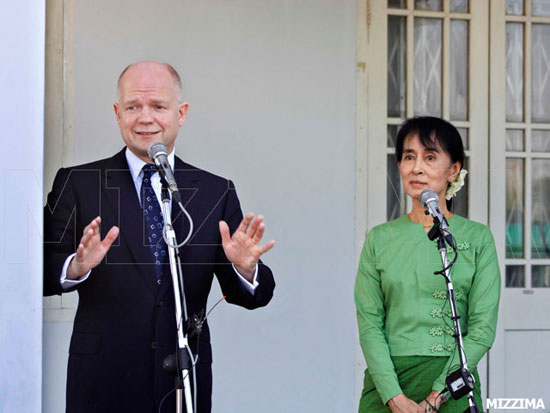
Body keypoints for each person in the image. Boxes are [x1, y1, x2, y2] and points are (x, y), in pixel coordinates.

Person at [44, 61, 276, 413]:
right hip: (101, 381)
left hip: (182, 380)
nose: (145, 118)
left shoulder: (215, 192)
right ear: (117, 113)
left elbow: (249, 296)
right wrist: (75, 267)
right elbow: (36, 273)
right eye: (133, 107)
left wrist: (245, 269)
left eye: (158, 107)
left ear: (180, 113)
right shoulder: (79, 184)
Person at [354, 117, 500, 412]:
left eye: (430, 157)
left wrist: (436, 397)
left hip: (453, 384)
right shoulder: (379, 239)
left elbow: (483, 329)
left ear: (454, 169)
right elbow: (369, 325)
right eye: (409, 157)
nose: (416, 167)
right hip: (388, 385)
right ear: (399, 166)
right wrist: (395, 397)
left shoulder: (478, 238)